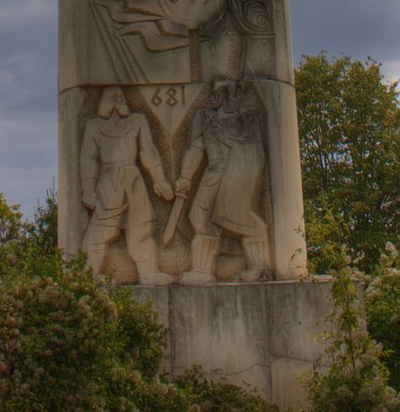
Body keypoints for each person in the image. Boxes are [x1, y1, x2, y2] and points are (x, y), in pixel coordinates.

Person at [174, 81, 271, 284]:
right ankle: (202, 271)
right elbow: (196, 149)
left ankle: (260, 267)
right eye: (214, 92)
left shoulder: (246, 120)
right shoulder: (205, 118)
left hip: (237, 174)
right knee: (200, 218)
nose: (214, 96)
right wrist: (185, 177)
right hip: (213, 173)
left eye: (220, 92)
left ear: (230, 94)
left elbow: (255, 154)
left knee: (242, 218)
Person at [80, 86, 173, 284]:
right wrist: (88, 190)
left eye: (122, 96)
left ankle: (149, 274)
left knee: (141, 230)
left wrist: (159, 179)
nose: (121, 99)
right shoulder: (94, 126)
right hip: (109, 181)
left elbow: (148, 151)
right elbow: (89, 159)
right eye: (115, 97)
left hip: (133, 180)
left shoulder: (137, 121)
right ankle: (88, 275)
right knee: (101, 231)